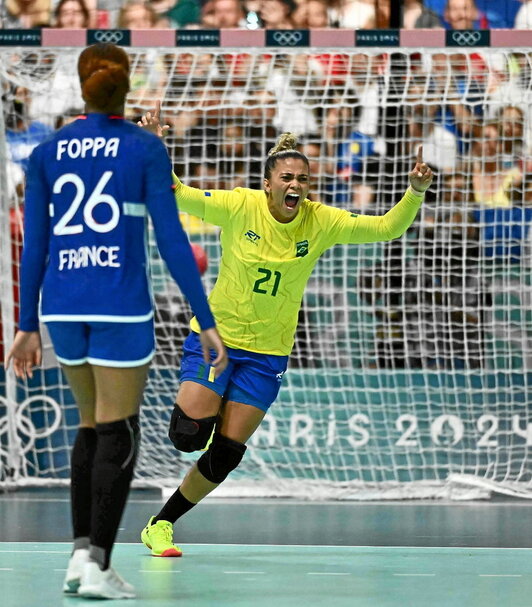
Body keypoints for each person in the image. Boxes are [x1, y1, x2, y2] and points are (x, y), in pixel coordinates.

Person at [137, 106, 433, 557]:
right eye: (287, 177)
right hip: (217, 339)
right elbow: (176, 192)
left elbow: (387, 229)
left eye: (302, 179)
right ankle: (208, 404)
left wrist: (414, 192)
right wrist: (157, 146)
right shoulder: (240, 205)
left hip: (268, 353)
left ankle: (161, 525)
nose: (295, 185)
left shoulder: (321, 220)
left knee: (226, 454)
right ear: (268, 182)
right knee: (188, 435)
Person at [5, 43, 227, 600]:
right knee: (118, 428)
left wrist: (25, 323)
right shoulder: (144, 147)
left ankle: (82, 556)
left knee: (89, 426)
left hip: (60, 303)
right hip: (118, 303)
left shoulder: (47, 151)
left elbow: (34, 246)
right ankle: (100, 565)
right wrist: (205, 318)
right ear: (126, 86)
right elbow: (173, 241)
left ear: (81, 87)